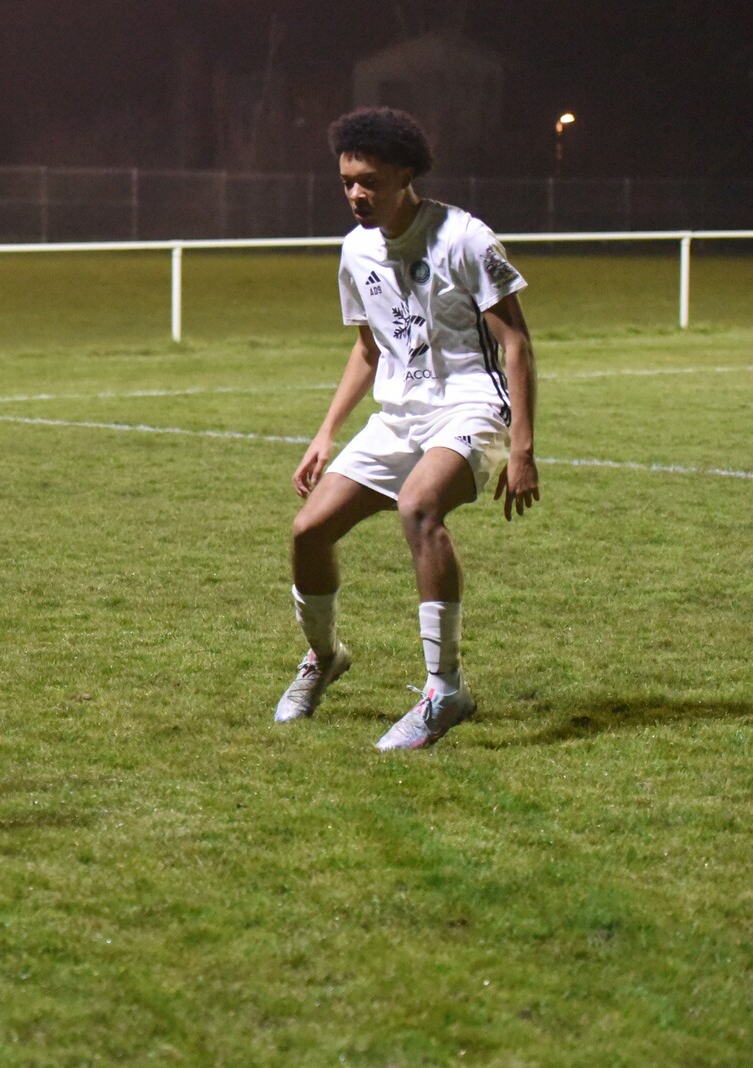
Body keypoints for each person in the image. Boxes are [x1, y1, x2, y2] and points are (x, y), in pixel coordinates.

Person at [273, 106, 540, 750]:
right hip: (399, 415)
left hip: (472, 405)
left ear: (405, 173)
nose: (355, 194)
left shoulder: (464, 238)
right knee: (309, 531)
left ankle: (445, 691)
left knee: (419, 507)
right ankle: (324, 658)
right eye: (346, 182)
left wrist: (523, 448)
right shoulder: (355, 248)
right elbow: (370, 348)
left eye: (368, 181)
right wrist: (326, 433)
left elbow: (516, 342)